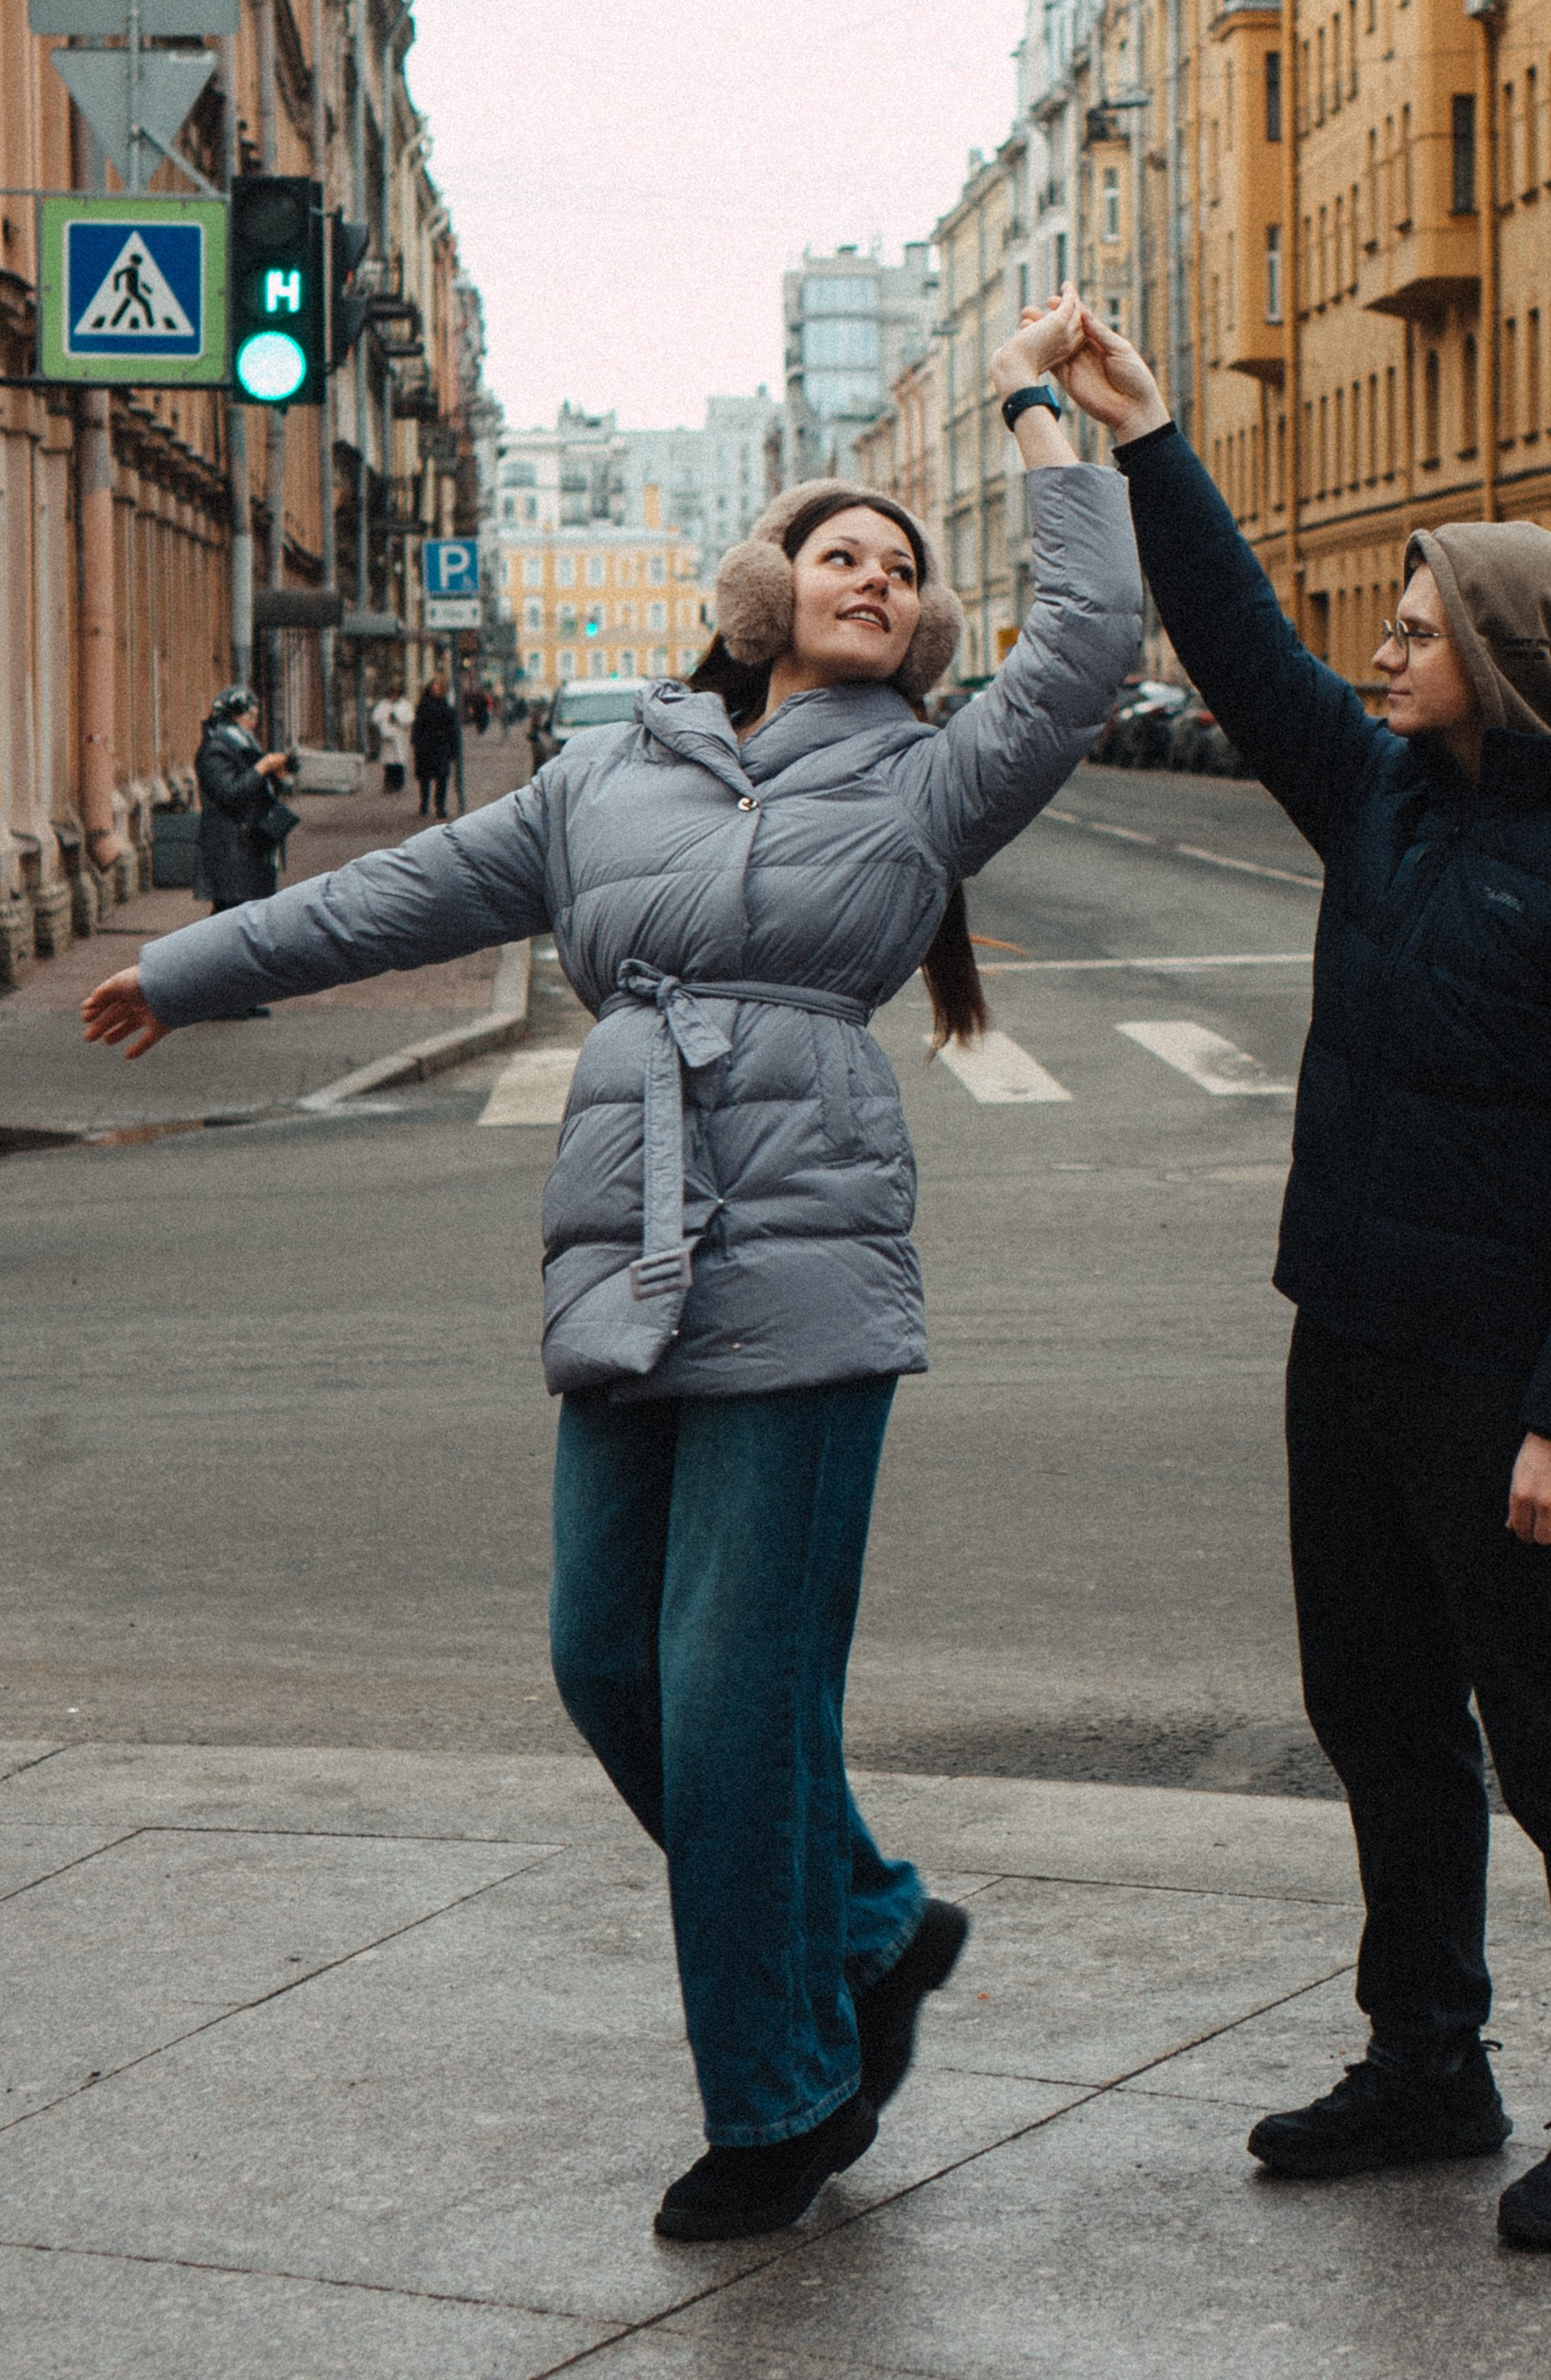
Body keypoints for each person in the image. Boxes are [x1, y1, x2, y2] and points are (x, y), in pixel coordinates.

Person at [80, 285, 1141, 2246]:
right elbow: (397, 893)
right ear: (762, 587)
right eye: (840, 549)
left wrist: (1036, 421)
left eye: (899, 572)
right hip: (622, 1242)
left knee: (738, 1701)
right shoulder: (611, 780)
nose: (876, 579)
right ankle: (877, 1925)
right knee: (604, 1662)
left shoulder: (927, 779)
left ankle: (786, 2097)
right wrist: (196, 968)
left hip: (806, 1246)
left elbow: (1083, 648)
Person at [1043, 303, 1551, 2257]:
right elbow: (1247, 656)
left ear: (1499, 661)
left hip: (1506, 1386)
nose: (1382, 650)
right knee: (1377, 1716)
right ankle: (1428, 2059)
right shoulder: (1384, 806)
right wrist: (1146, 437)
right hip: (1343, 1342)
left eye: (1416, 629)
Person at [193, 687, 296, 966]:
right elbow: (229, 793)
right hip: (230, 846)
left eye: (255, 716)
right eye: (248, 715)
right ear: (232, 716)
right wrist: (262, 768)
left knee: (247, 921)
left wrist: (276, 776)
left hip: (249, 844)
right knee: (230, 920)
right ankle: (220, 991)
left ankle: (240, 994)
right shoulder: (215, 749)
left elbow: (254, 788)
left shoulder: (240, 744)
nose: (253, 721)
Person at [410, 673, 462, 818]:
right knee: (424, 778)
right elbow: (418, 726)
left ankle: (440, 807)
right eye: (434, 687)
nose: (436, 690)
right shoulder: (423, 706)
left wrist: (453, 749)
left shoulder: (447, 707)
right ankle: (424, 804)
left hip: (441, 747)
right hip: (426, 746)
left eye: (439, 687)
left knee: (442, 778)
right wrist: (416, 743)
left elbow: (452, 730)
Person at [373, 685, 414, 795]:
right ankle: (388, 783)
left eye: (396, 694)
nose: (394, 696)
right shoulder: (383, 704)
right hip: (387, 736)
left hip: (400, 736)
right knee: (389, 761)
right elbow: (376, 717)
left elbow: (409, 718)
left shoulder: (405, 705)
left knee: (399, 761)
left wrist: (398, 719)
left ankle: (398, 783)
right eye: (392, 694)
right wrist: (384, 720)